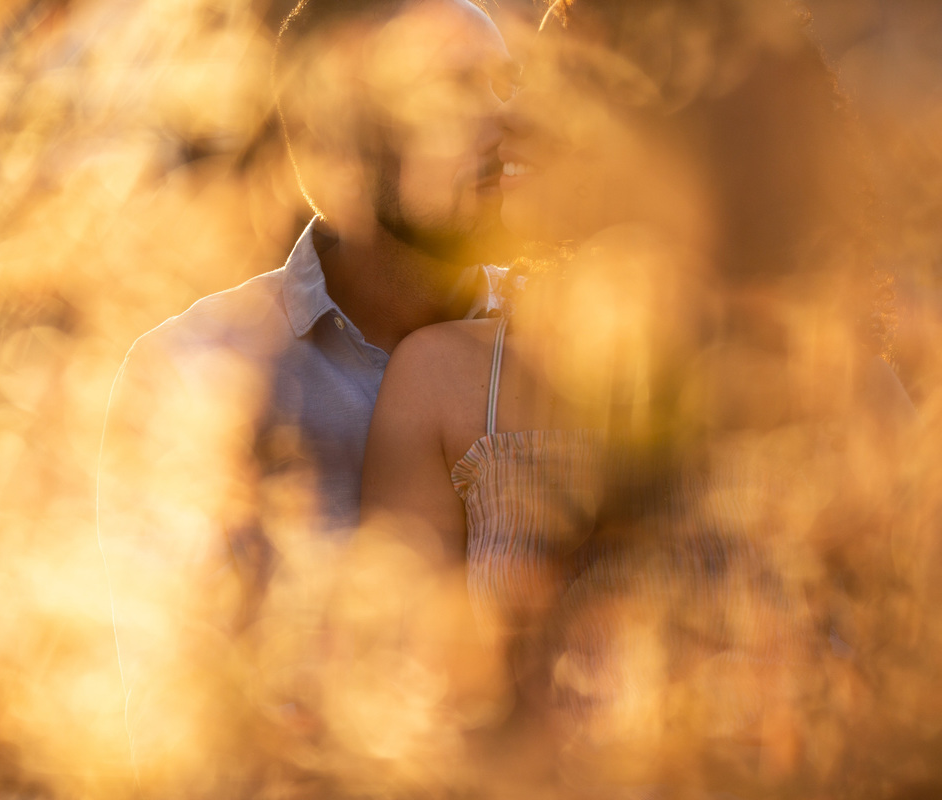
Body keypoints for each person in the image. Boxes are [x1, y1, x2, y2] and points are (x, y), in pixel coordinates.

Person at [361, 0, 916, 794]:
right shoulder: (446, 384)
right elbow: (389, 722)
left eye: (569, 89)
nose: (517, 117)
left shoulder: (841, 393)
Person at [96, 0, 517, 790]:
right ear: (331, 147)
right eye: (454, 92)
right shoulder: (195, 376)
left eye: (505, 85)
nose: (503, 125)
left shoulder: (554, 359)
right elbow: (167, 725)